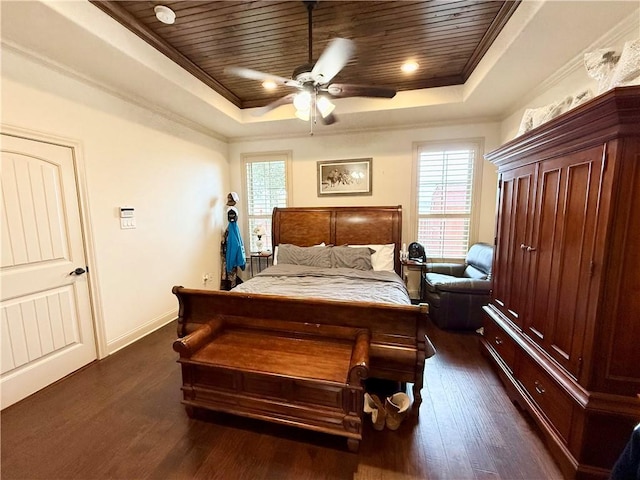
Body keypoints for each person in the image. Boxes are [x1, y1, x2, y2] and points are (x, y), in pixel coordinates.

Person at [220, 193, 245, 290]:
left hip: (230, 254)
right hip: (228, 251)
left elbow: (234, 245)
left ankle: (231, 288)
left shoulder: (233, 228)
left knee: (231, 273)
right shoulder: (232, 228)